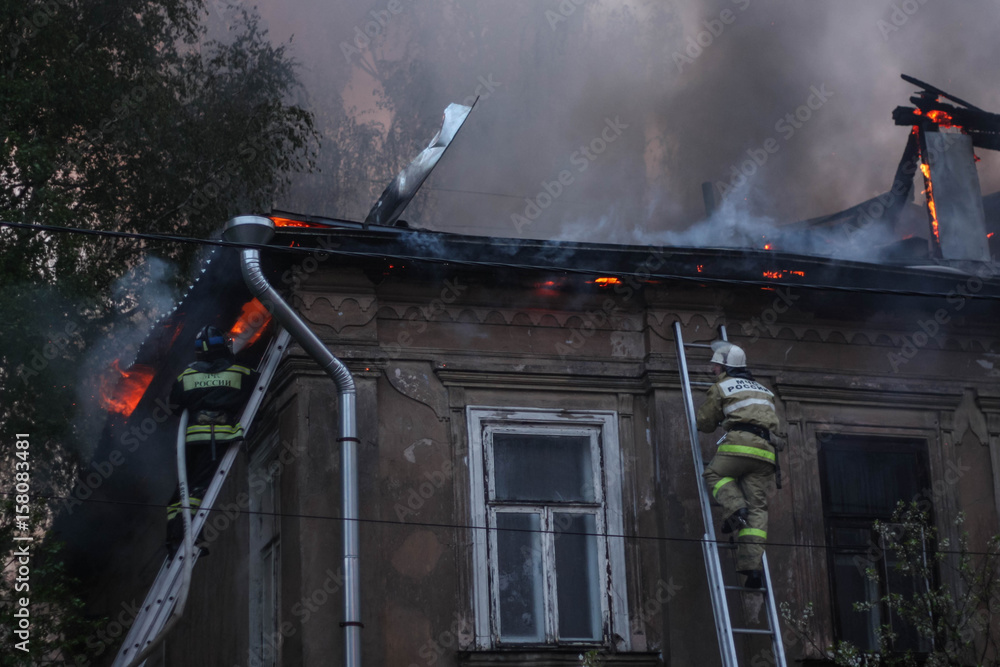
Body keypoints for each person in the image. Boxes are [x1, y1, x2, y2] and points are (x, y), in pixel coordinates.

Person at [166, 325, 258, 556]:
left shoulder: (186, 376)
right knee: (199, 490)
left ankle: (175, 537)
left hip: (190, 442)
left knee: (182, 492)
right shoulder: (242, 373)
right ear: (223, 347)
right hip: (219, 440)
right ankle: (189, 537)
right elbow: (260, 387)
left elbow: (175, 405)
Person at [697, 341, 782, 589]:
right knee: (758, 509)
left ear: (725, 366)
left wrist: (709, 414)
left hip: (738, 445)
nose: (712, 368)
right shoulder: (764, 390)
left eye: (715, 364)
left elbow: (705, 424)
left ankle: (735, 509)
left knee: (714, 474)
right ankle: (752, 569)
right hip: (766, 453)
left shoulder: (721, 386)